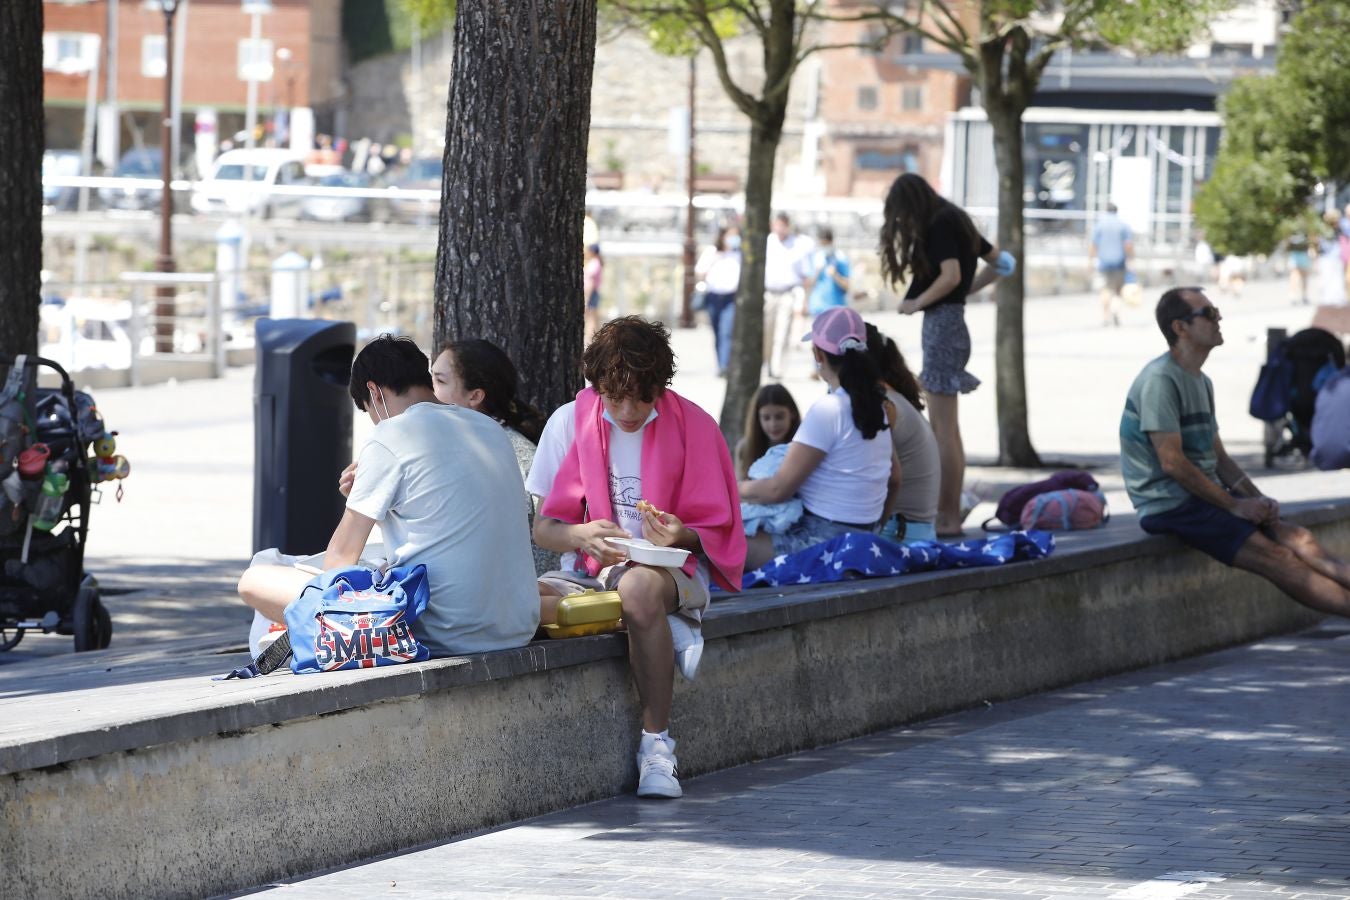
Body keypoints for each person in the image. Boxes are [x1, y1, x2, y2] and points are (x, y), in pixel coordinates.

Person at [526, 316, 745, 800]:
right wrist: (581, 535)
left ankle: (657, 747)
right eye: (615, 397)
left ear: (660, 387)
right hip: (588, 571)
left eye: (642, 398)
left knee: (637, 588)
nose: (628, 410)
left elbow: (717, 530)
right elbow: (545, 529)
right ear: (597, 385)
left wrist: (681, 534)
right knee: (515, 599)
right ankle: (664, 628)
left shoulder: (694, 426)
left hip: (668, 572)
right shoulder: (568, 421)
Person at [238, 335, 540, 657]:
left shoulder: (390, 434)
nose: (374, 420)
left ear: (374, 392)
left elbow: (339, 560)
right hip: (517, 627)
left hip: (439, 630)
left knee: (255, 579)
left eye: (368, 410)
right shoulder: (488, 428)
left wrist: (357, 501)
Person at [1120, 287, 1350, 619]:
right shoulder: (1159, 380)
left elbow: (1221, 460)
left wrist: (1258, 500)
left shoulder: (1201, 381)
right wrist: (1233, 505)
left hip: (1202, 497)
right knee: (1278, 557)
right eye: (1208, 314)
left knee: (1300, 538)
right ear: (1180, 328)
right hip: (1170, 504)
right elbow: (1172, 462)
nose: (1219, 319)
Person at [880, 173, 1008, 537]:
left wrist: (918, 301)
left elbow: (950, 275)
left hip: (942, 327)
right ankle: (949, 511)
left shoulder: (937, 225)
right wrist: (966, 291)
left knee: (942, 429)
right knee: (948, 428)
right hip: (953, 322)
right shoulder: (956, 218)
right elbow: (1003, 263)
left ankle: (947, 515)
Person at [739, 307, 901, 569]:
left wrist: (729, 488)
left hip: (821, 542)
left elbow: (777, 490)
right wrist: (874, 531)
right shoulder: (879, 407)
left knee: (709, 542)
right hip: (863, 539)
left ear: (818, 354)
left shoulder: (828, 409)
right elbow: (895, 479)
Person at [431, 339, 558, 576]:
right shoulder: (471, 442)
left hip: (517, 588)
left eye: (440, 381)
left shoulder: (511, 453)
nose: (430, 391)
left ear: (475, 396)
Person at [865, 323, 940, 544]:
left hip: (899, 535)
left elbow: (893, 478)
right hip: (914, 532)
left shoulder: (881, 403)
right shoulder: (892, 396)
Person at [763, 213, 814, 378]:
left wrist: (804, 299)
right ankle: (767, 363)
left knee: (782, 332)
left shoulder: (798, 245)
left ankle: (777, 368)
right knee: (767, 332)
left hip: (788, 293)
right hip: (769, 293)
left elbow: (805, 275)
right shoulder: (768, 241)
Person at [696, 225, 742, 377]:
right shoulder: (712, 251)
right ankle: (720, 362)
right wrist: (715, 259)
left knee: (726, 331)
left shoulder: (739, 254)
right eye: (730, 235)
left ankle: (725, 365)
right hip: (713, 296)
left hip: (731, 297)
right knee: (717, 331)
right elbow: (700, 271)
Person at [735, 383, 801, 480]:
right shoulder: (745, 447)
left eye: (779, 417)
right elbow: (738, 484)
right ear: (757, 418)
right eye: (766, 418)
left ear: (792, 414)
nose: (773, 424)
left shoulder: (803, 448)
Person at [1090, 203, 1134, 327]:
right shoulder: (1123, 225)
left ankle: (1105, 317)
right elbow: (1128, 245)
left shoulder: (1099, 225)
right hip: (1119, 262)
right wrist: (1131, 260)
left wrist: (1090, 261)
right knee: (1118, 290)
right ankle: (1115, 310)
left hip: (1103, 263)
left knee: (1105, 289)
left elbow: (1093, 245)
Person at [805, 226, 850, 317]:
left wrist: (835, 275)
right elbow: (809, 284)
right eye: (822, 244)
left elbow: (847, 286)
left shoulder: (840, 258)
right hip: (818, 307)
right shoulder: (816, 258)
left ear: (831, 242)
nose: (824, 247)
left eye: (826, 244)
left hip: (836, 308)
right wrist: (817, 271)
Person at [1316, 211, 1347, 306]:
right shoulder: (1327, 230)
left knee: (1333, 277)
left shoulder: (1338, 229)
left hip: (1333, 257)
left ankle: (1334, 297)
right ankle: (1331, 298)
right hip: (1329, 257)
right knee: (1332, 277)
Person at [1286, 228, 1313, 305]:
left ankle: (1303, 295)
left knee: (1302, 276)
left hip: (1302, 253)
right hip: (1295, 253)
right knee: (1295, 275)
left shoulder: (1304, 228)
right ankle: (1294, 295)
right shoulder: (1291, 227)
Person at [583, 244, 603, 344]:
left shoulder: (594, 264)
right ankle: (593, 339)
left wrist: (587, 297)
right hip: (594, 292)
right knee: (593, 317)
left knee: (590, 318)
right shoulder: (597, 263)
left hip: (591, 293)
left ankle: (590, 340)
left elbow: (591, 282)